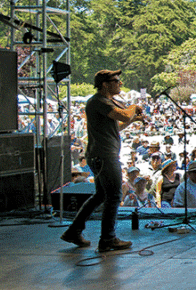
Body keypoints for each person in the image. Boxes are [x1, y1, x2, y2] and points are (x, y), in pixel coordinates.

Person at [60, 69, 145, 252]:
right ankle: (107, 239)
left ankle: (73, 231)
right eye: (116, 80)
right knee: (114, 195)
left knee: (100, 195)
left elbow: (117, 126)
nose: (120, 83)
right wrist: (133, 107)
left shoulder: (104, 102)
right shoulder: (98, 101)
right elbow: (123, 114)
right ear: (105, 84)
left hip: (102, 154)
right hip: (104, 156)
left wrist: (132, 119)